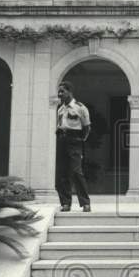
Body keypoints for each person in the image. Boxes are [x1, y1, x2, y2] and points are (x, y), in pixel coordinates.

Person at [55, 80, 91, 212]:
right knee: (62, 173)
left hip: (75, 140)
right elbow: (60, 125)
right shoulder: (60, 109)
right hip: (62, 140)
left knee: (76, 172)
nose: (59, 94)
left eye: (62, 91)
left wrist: (81, 141)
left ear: (69, 92)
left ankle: (85, 203)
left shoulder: (80, 107)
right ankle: (65, 203)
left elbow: (87, 128)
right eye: (59, 91)